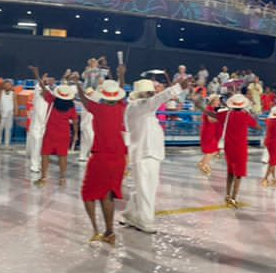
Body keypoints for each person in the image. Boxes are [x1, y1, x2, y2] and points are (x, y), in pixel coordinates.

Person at [119, 77, 185, 233]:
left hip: (146, 153)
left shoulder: (141, 110)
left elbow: (153, 103)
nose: (151, 95)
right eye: (149, 93)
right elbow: (156, 100)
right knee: (147, 188)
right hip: (145, 153)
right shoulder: (137, 106)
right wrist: (178, 88)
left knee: (141, 187)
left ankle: (130, 215)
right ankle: (146, 221)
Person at [80, 78, 129, 245]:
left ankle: (95, 230)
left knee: (88, 192)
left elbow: (83, 100)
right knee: (107, 195)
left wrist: (78, 86)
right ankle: (110, 232)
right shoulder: (122, 108)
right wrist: (122, 75)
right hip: (119, 158)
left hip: (101, 156)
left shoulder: (98, 109)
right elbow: (120, 97)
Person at [33, 83, 78, 186]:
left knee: (45, 155)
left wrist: (37, 74)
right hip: (64, 135)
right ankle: (62, 179)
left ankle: (43, 178)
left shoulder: (52, 100)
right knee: (63, 156)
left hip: (50, 133)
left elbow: (44, 89)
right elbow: (75, 121)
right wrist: (75, 134)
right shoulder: (71, 106)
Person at [220, 94, 259, 208]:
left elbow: (214, 115)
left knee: (230, 172)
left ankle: (227, 195)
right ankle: (233, 197)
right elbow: (257, 126)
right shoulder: (245, 116)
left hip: (229, 147)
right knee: (239, 174)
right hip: (240, 148)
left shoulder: (227, 114)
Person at [25, 69, 53, 170]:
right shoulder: (37, 91)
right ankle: (34, 165)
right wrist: (37, 75)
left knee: (42, 146)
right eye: (45, 79)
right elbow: (41, 86)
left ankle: (39, 164)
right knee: (36, 145)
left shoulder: (50, 93)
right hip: (37, 125)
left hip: (45, 124)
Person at [197, 94, 223, 175]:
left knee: (214, 149)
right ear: (213, 101)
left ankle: (202, 163)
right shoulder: (209, 109)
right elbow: (211, 120)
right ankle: (204, 165)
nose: (219, 101)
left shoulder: (215, 109)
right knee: (211, 149)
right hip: (209, 131)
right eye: (217, 100)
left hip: (213, 131)